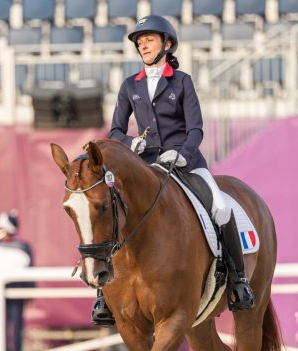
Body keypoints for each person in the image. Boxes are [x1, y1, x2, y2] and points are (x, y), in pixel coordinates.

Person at [91, 15, 254, 326]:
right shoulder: (130, 86)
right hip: (146, 165)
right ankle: (104, 294)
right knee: (111, 210)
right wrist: (130, 144)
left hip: (186, 163)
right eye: (139, 41)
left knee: (220, 208)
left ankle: (239, 281)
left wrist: (182, 154)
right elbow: (114, 130)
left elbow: (196, 129)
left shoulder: (182, 82)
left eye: (148, 39)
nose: (142, 44)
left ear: (166, 44)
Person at [0, 210, 35, 351]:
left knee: (16, 322)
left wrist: (30, 291)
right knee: (2, 322)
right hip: (0, 290)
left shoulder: (23, 247)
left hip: (17, 289)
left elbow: (30, 272)